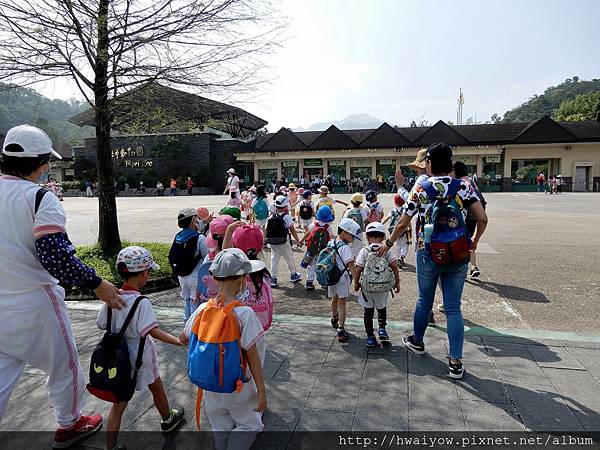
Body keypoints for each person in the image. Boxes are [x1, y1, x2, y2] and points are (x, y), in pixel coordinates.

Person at [0, 124, 125, 448]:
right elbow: (56, 257)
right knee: (64, 366)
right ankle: (69, 424)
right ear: (42, 164)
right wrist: (97, 283)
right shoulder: (41, 198)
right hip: (35, 302)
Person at [382, 142, 488, 379]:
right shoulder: (464, 187)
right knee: (453, 308)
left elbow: (403, 222)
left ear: (428, 163)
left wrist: (389, 244)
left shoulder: (421, 189)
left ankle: (418, 341)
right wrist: (474, 241)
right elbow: (482, 218)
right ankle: (455, 362)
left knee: (424, 300)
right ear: (450, 163)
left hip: (427, 252)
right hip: (458, 254)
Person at [97, 246, 185, 450]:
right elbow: (152, 331)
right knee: (156, 386)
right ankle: (167, 418)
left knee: (118, 406)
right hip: (140, 356)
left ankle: (110, 447)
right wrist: (178, 341)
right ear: (144, 275)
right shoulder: (141, 302)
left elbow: (102, 324)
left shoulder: (111, 297)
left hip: (117, 358)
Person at [181, 249, 267, 450]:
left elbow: (183, 338)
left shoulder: (202, 309)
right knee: (248, 424)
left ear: (215, 279)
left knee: (220, 426)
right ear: (242, 280)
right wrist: (261, 391)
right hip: (240, 386)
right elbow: (252, 356)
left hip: (210, 384)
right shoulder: (244, 314)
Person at [354, 222, 400, 348]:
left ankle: (370, 337)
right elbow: (395, 266)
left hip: (367, 287)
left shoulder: (365, 250)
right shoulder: (387, 250)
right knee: (381, 309)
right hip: (383, 287)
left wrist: (356, 283)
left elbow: (358, 269)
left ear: (367, 237)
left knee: (368, 312)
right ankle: (382, 329)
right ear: (383, 237)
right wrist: (397, 283)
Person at [223, 223, 274, 331]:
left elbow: (224, 254)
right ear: (259, 248)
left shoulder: (234, 270)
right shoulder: (263, 273)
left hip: (236, 326)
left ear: (234, 245)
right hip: (258, 326)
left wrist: (229, 230)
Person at [173, 208, 210, 322]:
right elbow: (207, 257)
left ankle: (186, 328)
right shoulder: (200, 238)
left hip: (182, 276)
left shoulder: (178, 236)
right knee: (195, 303)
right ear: (193, 219)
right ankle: (194, 330)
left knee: (187, 301)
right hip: (195, 276)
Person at [327, 218, 360, 343]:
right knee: (342, 302)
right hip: (341, 279)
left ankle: (334, 317)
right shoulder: (345, 248)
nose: (353, 239)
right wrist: (357, 280)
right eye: (352, 236)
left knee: (334, 298)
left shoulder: (331, 242)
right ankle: (341, 329)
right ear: (345, 233)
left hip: (331, 277)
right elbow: (351, 266)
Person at [452, 161, 486, 280]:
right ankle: (473, 267)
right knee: (467, 242)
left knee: (462, 243)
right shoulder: (472, 181)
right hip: (474, 217)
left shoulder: (463, 184)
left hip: (466, 218)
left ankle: (464, 269)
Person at [265, 195, 302, 288]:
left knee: (274, 260)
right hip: (284, 241)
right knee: (289, 258)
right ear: (285, 206)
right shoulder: (286, 217)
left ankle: (273, 279)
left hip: (273, 242)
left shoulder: (270, 217)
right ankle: (293, 275)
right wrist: (298, 240)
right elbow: (292, 229)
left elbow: (266, 229)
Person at [298, 205, 335, 291]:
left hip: (312, 250)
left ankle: (309, 283)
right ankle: (324, 283)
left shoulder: (313, 224)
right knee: (323, 266)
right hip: (323, 251)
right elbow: (330, 237)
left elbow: (308, 233)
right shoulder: (328, 227)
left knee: (311, 266)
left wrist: (301, 240)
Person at [382, 194, 411, 269]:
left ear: (395, 202)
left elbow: (386, 219)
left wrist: (380, 224)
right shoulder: (405, 211)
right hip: (403, 231)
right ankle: (401, 257)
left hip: (393, 231)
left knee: (398, 244)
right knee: (404, 245)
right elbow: (408, 222)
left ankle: (397, 258)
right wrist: (410, 230)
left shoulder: (393, 211)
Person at [342, 192, 368, 259]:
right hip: (358, 233)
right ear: (361, 202)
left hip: (349, 233)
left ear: (351, 201)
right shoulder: (362, 211)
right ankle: (358, 262)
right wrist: (364, 228)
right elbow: (366, 221)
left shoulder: (348, 211)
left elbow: (344, 221)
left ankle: (349, 261)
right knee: (358, 249)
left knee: (349, 247)